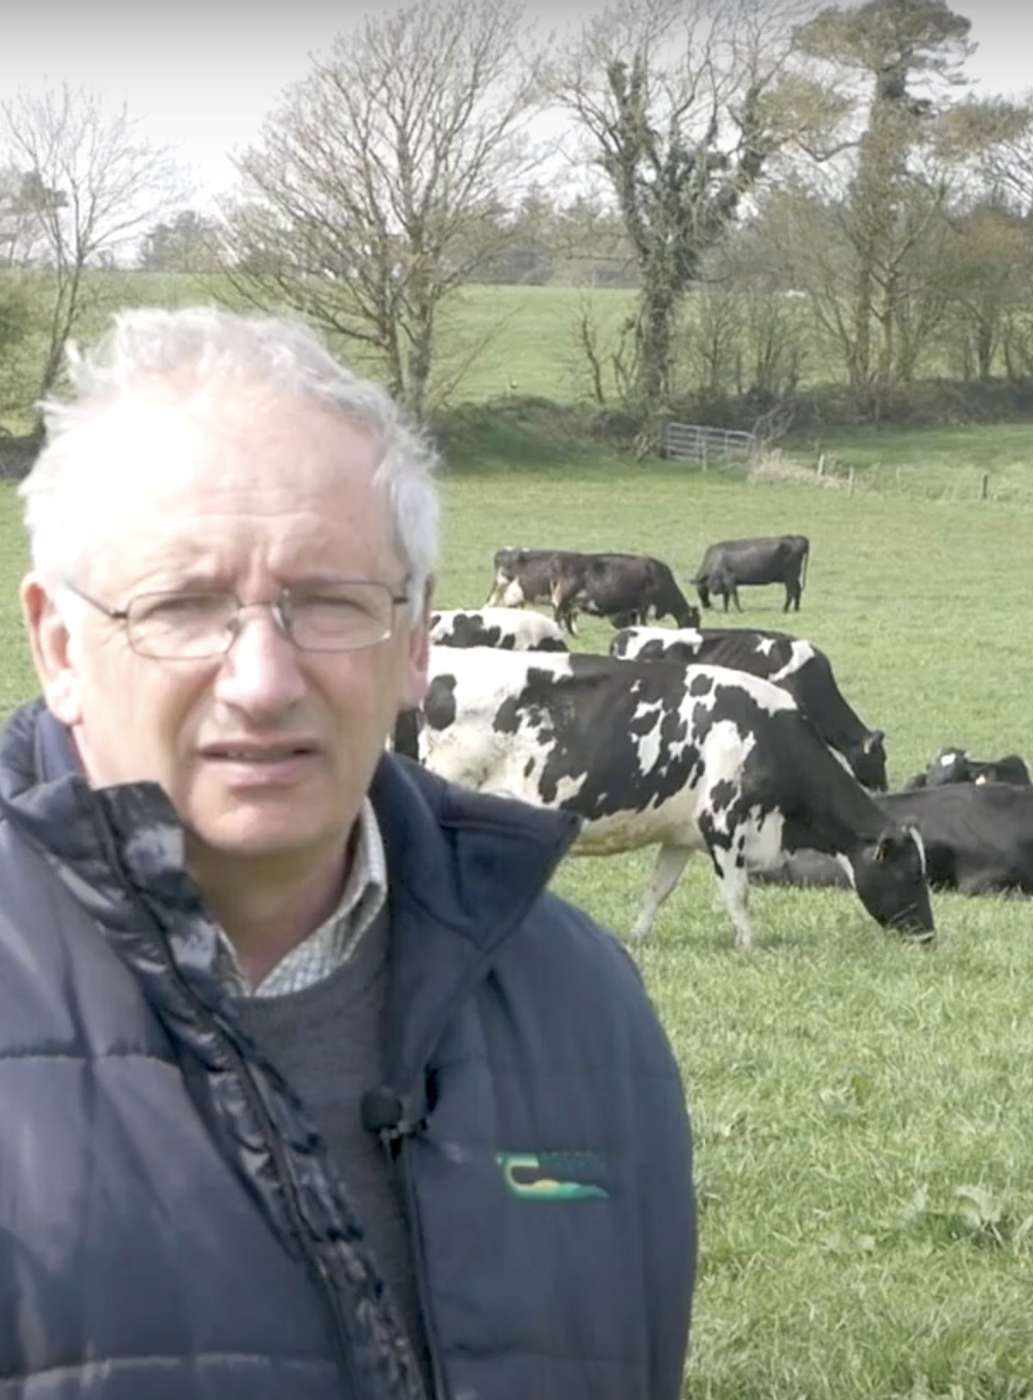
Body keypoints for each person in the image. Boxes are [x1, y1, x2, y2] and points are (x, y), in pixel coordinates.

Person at [0, 307, 696, 1399]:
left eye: (329, 601)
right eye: (183, 605)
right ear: (59, 646)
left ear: (417, 638)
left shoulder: (580, 1003)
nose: (264, 678)